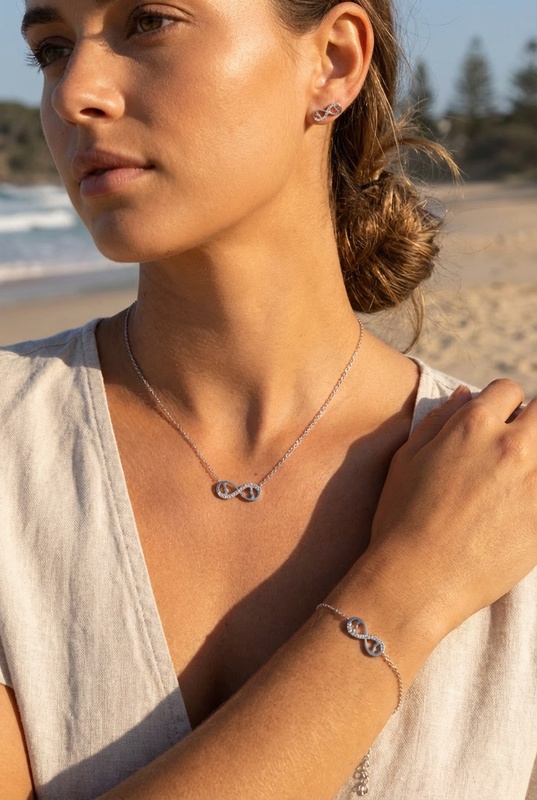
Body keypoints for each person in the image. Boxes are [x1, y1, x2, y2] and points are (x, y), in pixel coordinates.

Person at [1, 0, 536, 797]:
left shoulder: (509, 487)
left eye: (148, 22)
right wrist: (409, 590)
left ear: (333, 60)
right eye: (51, 48)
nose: (75, 92)